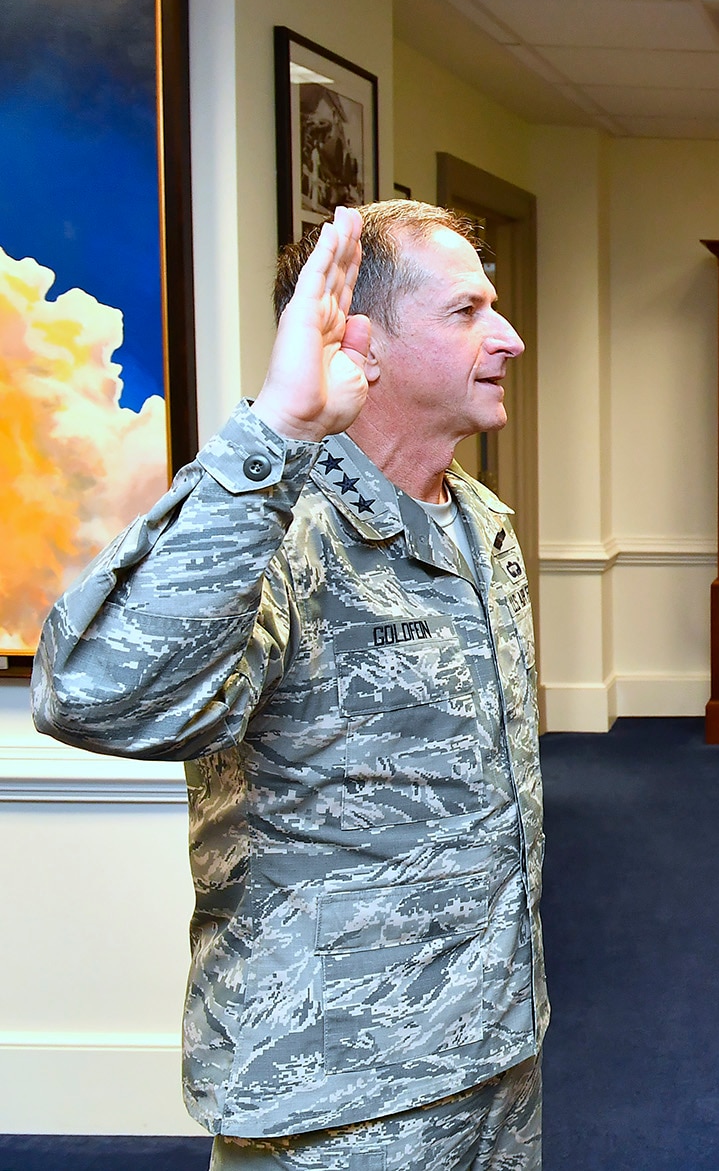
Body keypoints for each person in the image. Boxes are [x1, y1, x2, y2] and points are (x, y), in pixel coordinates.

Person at [32, 201, 544, 1168]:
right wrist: (275, 430)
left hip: (494, 1048)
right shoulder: (279, 523)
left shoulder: (480, 521)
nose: (509, 337)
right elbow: (92, 693)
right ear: (361, 339)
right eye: (468, 311)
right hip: (336, 1084)